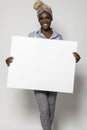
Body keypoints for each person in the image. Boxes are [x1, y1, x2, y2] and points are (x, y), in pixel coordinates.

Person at [6, 1, 81, 130]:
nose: (44, 20)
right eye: (41, 18)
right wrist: (12, 62)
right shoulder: (32, 36)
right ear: (38, 20)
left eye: (47, 17)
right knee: (44, 109)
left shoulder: (59, 37)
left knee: (51, 109)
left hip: (54, 79)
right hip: (38, 80)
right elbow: (25, 56)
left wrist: (74, 59)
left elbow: (62, 59)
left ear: (51, 18)